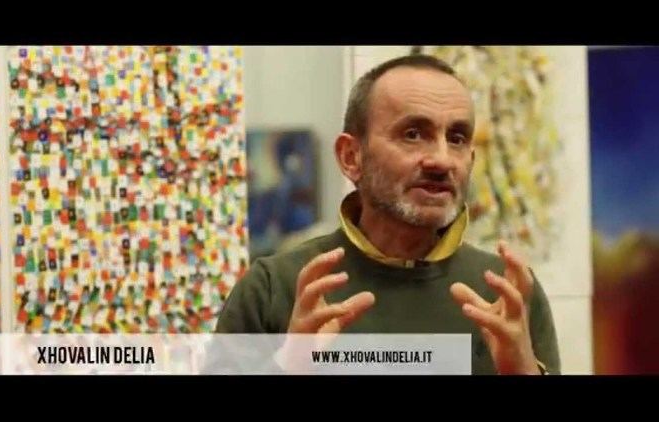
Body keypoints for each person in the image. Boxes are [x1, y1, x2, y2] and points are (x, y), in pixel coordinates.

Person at [215, 54, 560, 375]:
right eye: (413, 134)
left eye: (456, 138)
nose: (441, 160)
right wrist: (287, 367)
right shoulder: (274, 288)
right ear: (351, 157)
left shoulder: (507, 294)